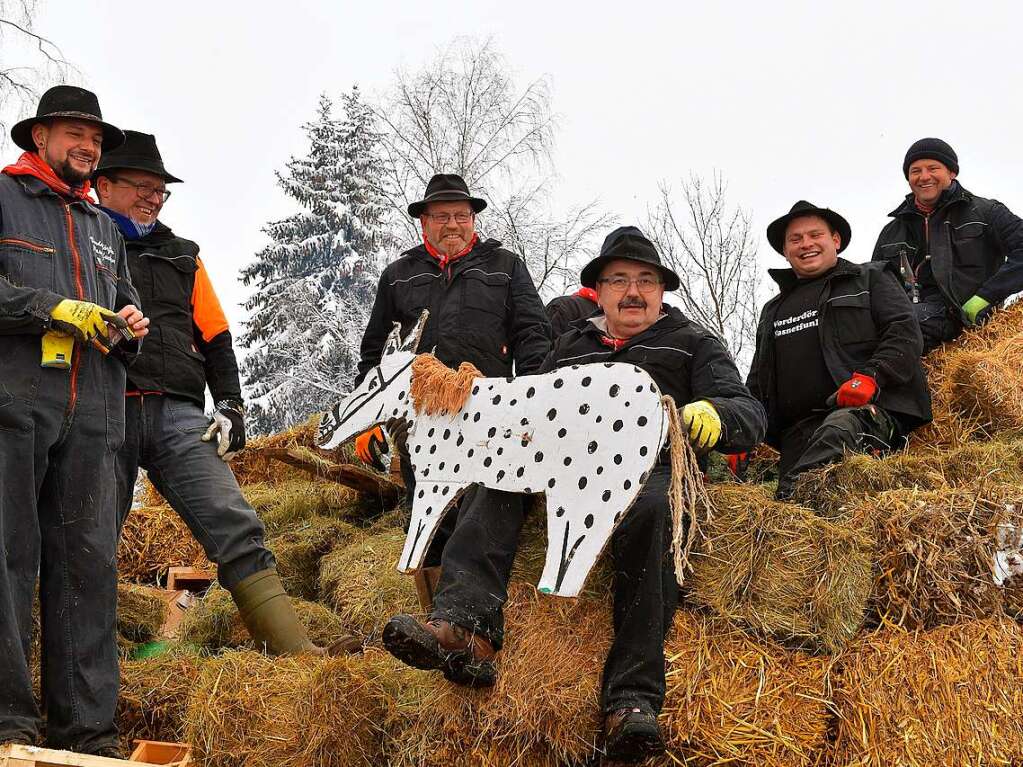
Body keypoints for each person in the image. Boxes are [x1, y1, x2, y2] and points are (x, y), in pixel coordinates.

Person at [381, 226, 766, 763]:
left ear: (661, 291)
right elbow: (527, 408)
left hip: (648, 467)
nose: (633, 292)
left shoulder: (693, 344)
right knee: (495, 474)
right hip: (562, 465)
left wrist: (716, 415)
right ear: (599, 292)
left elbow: (749, 412)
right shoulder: (570, 348)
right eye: (620, 281)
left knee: (654, 512)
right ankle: (467, 628)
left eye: (646, 281)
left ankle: (631, 699)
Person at [93, 130, 330, 656]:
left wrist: (229, 404)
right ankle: (96, 665)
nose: (154, 198)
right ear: (102, 185)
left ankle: (298, 656)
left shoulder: (184, 255)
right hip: (104, 408)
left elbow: (217, 338)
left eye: (161, 190)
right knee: (90, 541)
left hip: (179, 413)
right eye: (143, 187)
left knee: (234, 523)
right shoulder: (79, 240)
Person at [0, 85, 149, 757]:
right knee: (8, 560)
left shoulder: (101, 227)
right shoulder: (4, 197)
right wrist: (51, 307)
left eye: (94, 139)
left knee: (88, 568)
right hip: (15, 403)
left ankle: (87, 733)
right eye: (73, 135)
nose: (87, 147)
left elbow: (125, 308)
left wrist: (130, 326)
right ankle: (9, 726)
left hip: (93, 414)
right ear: (40, 138)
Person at [353, 173, 551, 564]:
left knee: (480, 507)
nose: (453, 225)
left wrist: (532, 401)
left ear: (473, 219)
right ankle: (433, 612)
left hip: (488, 409)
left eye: (461, 215)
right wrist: (368, 419)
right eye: (442, 216)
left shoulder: (506, 267)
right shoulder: (398, 275)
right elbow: (374, 353)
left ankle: (467, 605)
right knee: (428, 516)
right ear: (424, 222)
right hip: (420, 415)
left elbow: (533, 337)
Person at [749, 201, 932, 500]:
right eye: (795, 239)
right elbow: (758, 380)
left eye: (815, 235)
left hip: (866, 413)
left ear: (835, 240)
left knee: (833, 439)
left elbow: (904, 333)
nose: (806, 244)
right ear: (785, 250)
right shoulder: (773, 309)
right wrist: (742, 432)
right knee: (798, 497)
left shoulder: (870, 278)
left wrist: (871, 377)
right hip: (799, 432)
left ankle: (786, 515)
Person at [872, 138, 1023, 353]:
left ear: (952, 173)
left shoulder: (987, 212)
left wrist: (985, 297)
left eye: (933, 168)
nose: (924, 176)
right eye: (915, 171)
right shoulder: (891, 231)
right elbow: (876, 284)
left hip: (961, 317)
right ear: (908, 178)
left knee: (902, 328)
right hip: (908, 316)